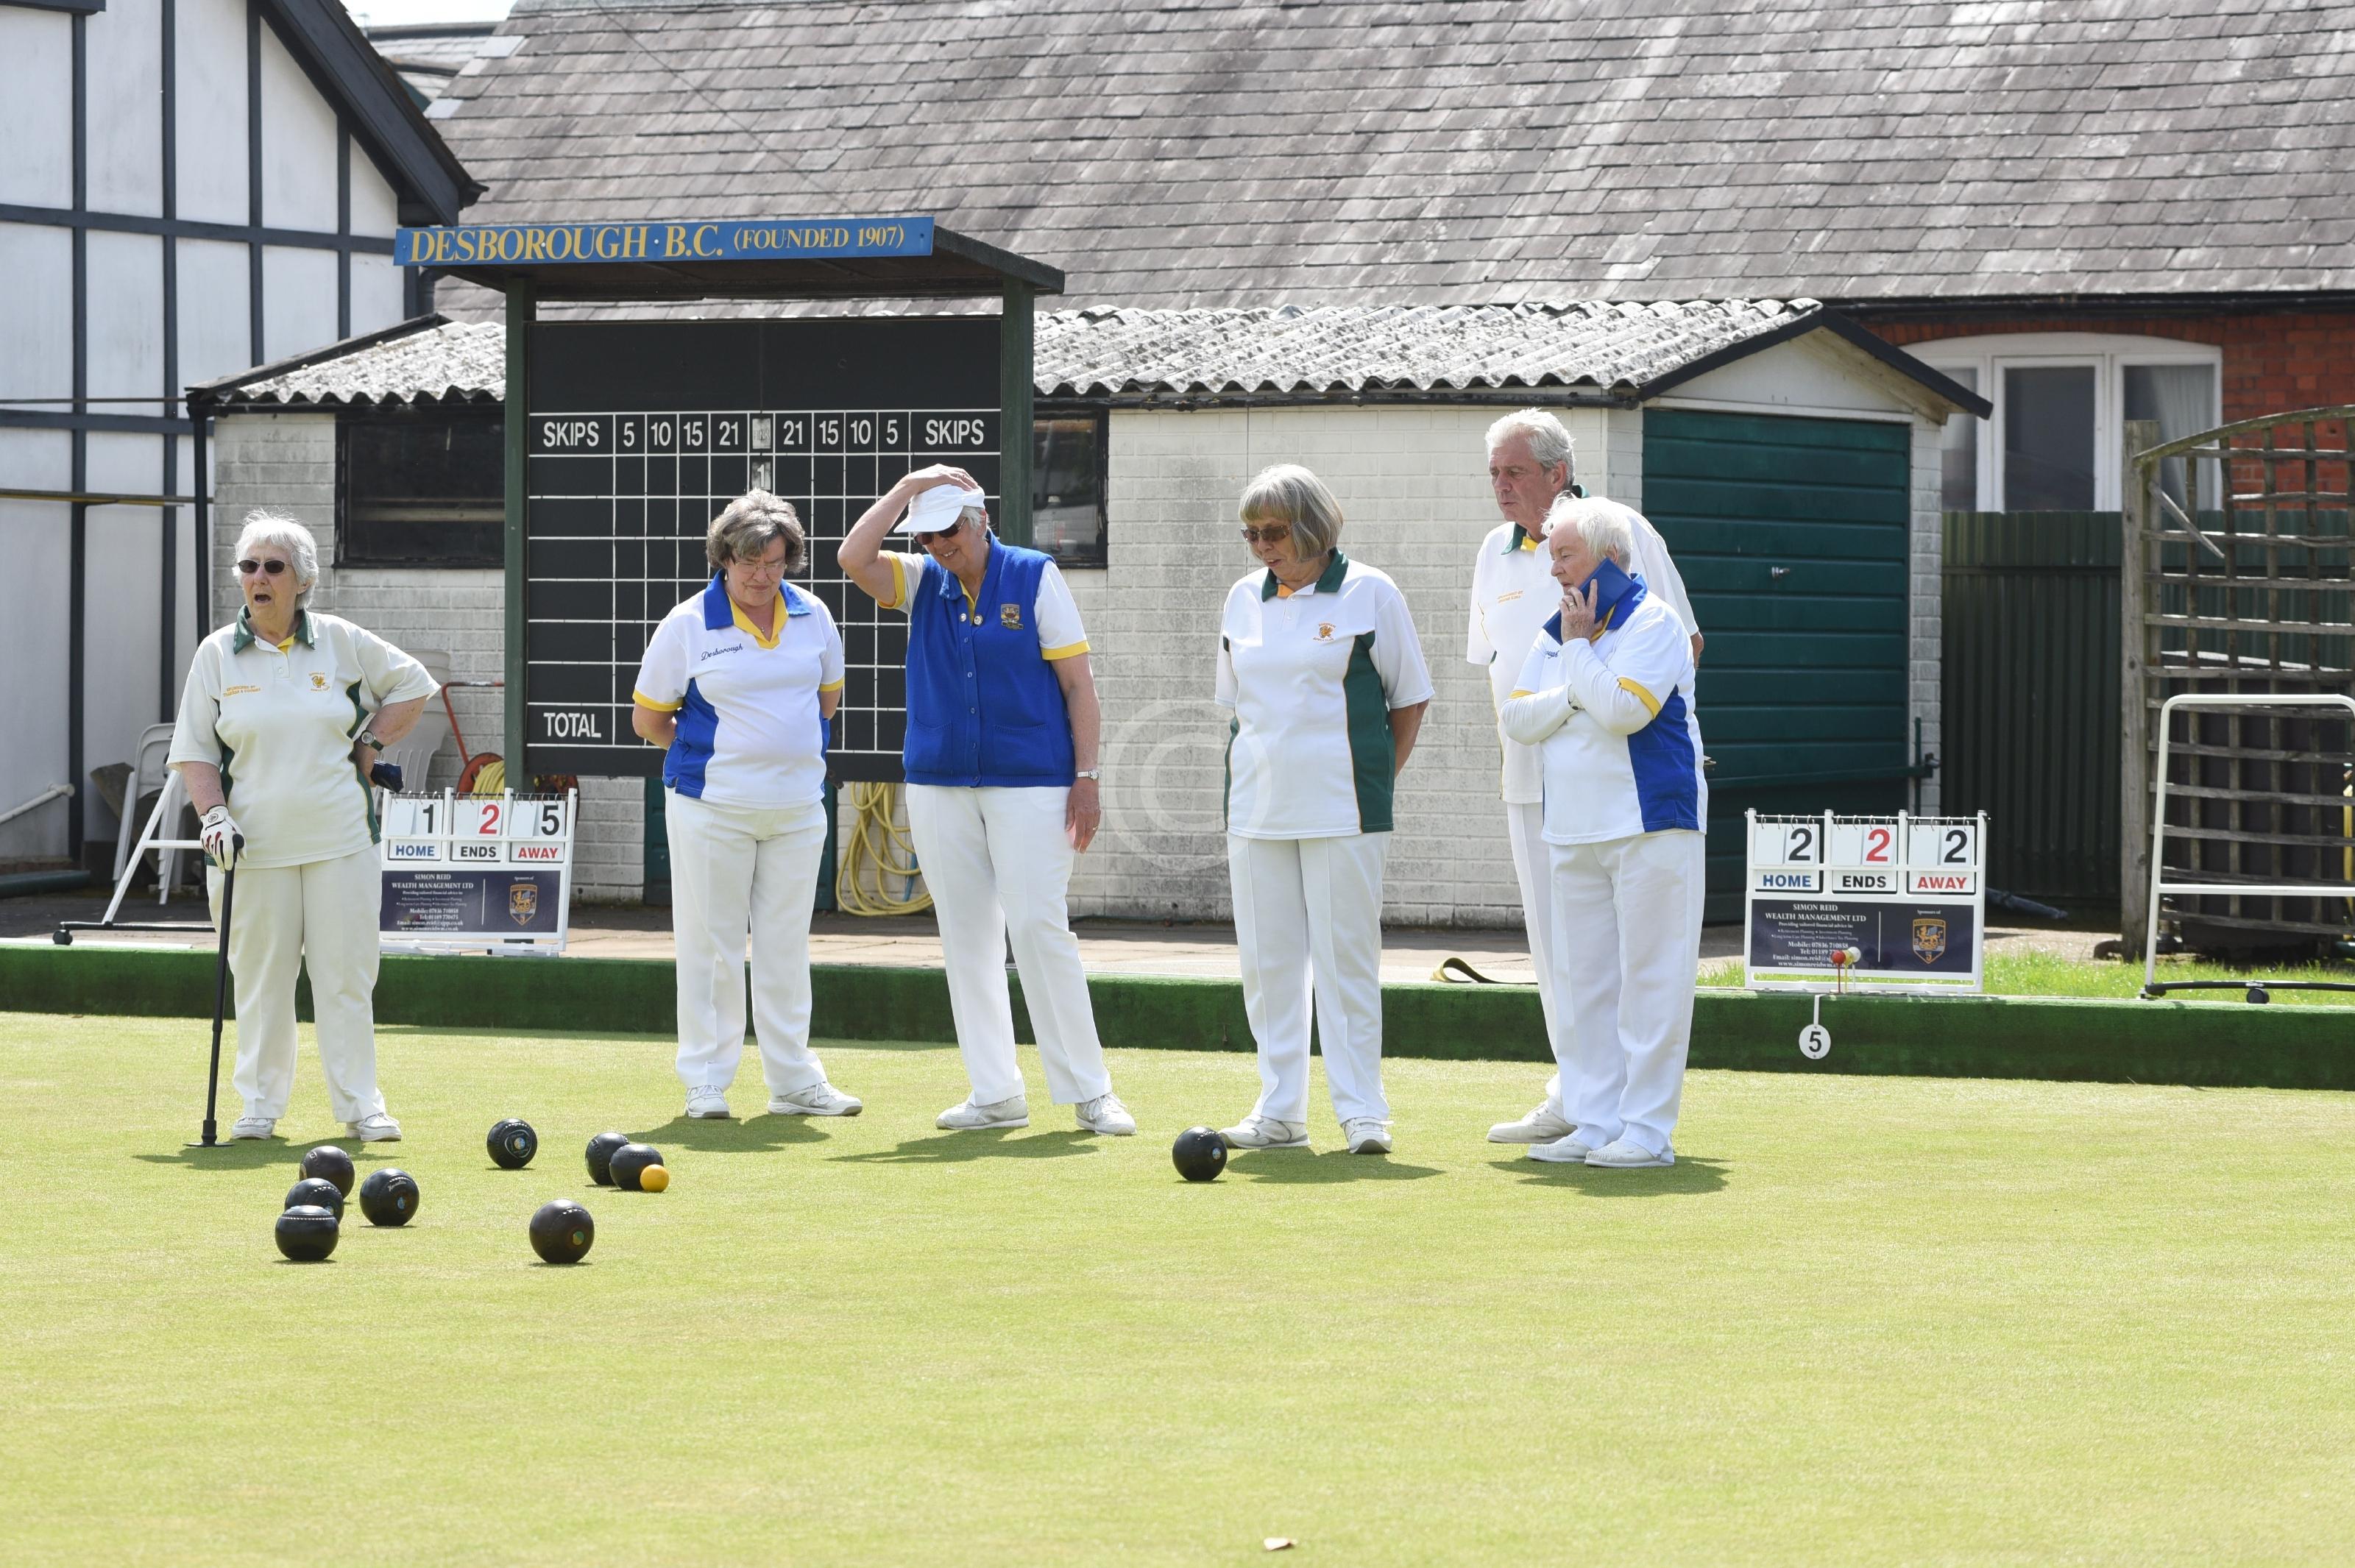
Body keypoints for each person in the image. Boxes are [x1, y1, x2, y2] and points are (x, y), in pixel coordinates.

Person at [837, 465, 1134, 1137]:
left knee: (1036, 926)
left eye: (949, 531)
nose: (939, 545)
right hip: (940, 781)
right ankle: (995, 1092)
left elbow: (1078, 686)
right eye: (928, 534)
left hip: (1033, 780)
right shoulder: (922, 580)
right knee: (967, 937)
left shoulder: (1034, 575)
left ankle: (1091, 1092)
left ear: (980, 522)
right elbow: (852, 556)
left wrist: (1087, 777)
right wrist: (909, 485)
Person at [1470, 408, 1702, 1146]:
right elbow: (1506, 688)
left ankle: (1632, 1120)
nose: (1501, 488)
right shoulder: (1493, 553)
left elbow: (1677, 643)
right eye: (1494, 474)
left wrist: (1593, 702)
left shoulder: (1619, 532)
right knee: (1564, 957)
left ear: (1556, 473)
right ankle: (1577, 1095)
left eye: (1514, 472)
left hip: (1631, 786)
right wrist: (1569, 704)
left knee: (1637, 964)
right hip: (1538, 785)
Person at [166, 511, 437, 1141]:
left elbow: (413, 686)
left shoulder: (339, 640)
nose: (258, 577)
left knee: (345, 975)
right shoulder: (216, 654)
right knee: (261, 979)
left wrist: (368, 741)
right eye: (249, 566)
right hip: (250, 850)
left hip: (340, 839)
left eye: (273, 567)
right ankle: (259, 1106)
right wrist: (213, 816)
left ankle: (360, 1104)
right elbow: (195, 753)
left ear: (302, 580)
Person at [1215, 464, 1434, 1155]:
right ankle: (1280, 1110)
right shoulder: (1241, 600)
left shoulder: (1372, 592)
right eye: (1250, 533)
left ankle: (1363, 1111)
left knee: (1346, 962)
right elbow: (1235, 707)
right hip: (1255, 808)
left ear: (1312, 525)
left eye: (1273, 531)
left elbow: (1410, 699)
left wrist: (1373, 781)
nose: (1261, 546)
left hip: (1345, 809)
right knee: (1268, 965)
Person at [631, 491, 863, 1122]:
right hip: (713, 807)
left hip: (795, 808)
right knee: (712, 946)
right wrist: (722, 755)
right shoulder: (686, 623)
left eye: (775, 562)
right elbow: (649, 717)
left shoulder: (814, 615)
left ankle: (793, 1081)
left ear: (790, 560)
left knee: (787, 945)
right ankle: (706, 1080)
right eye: (748, 563)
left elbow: (826, 699)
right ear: (724, 559)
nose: (761, 576)